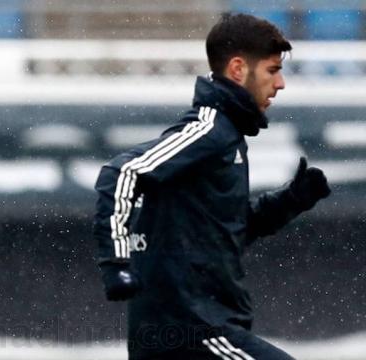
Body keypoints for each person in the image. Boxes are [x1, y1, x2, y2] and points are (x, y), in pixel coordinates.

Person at [93, 13, 330, 360]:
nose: (280, 84)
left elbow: (220, 233)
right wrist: (116, 262)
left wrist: (288, 202)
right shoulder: (208, 130)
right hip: (192, 330)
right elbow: (122, 172)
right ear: (238, 69)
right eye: (272, 70)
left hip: (192, 330)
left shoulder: (227, 137)